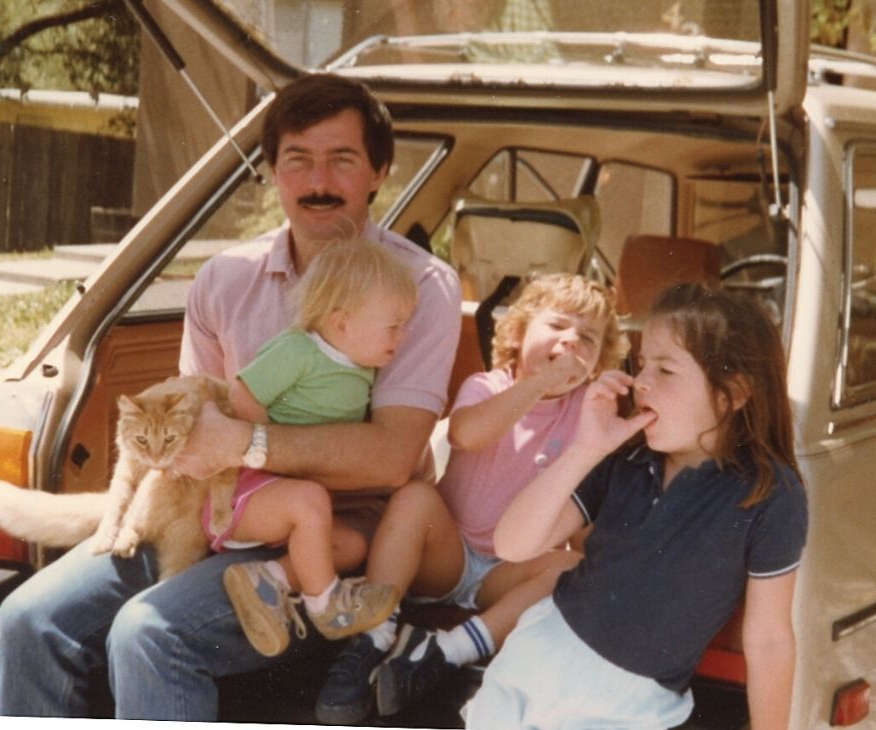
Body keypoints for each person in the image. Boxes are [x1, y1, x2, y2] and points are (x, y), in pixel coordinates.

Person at [0, 73, 461, 721]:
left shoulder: (421, 285)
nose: (318, 181)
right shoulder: (224, 279)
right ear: (272, 172)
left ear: (380, 170)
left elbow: (389, 460)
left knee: (150, 633)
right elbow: (191, 434)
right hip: (220, 513)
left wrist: (248, 443)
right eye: (297, 159)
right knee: (28, 619)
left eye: (342, 159)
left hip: (338, 537)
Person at [466, 283, 807, 729]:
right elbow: (513, 544)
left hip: (630, 710)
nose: (641, 382)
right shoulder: (624, 458)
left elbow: (769, 640)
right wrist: (585, 448)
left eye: (665, 370)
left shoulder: (769, 494)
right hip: (533, 665)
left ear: (734, 394)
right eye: (642, 364)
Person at [313, 273, 629, 723]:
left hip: (505, 573)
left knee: (570, 568)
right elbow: (467, 433)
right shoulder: (489, 385)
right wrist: (540, 383)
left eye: (588, 338)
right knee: (413, 500)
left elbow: (584, 502)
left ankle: (446, 652)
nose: (571, 341)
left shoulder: (586, 414)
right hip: (446, 555)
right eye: (558, 326)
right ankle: (372, 635)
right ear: (519, 334)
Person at [215, 236, 417, 658]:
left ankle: (266, 578)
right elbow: (241, 395)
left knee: (351, 545)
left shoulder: (360, 366)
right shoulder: (298, 350)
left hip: (294, 500)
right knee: (309, 501)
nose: (404, 334)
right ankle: (326, 608)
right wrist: (272, 455)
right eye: (394, 324)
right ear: (342, 323)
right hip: (249, 489)